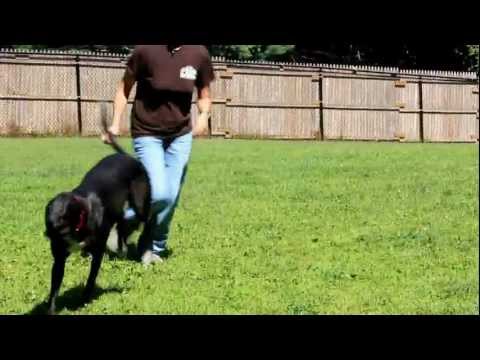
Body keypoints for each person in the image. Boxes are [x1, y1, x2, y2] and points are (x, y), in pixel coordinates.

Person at [102, 45, 215, 265]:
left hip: (181, 135)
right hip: (147, 133)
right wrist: (115, 124)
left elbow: (204, 93)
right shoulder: (145, 51)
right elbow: (124, 87)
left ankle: (154, 248)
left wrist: (203, 116)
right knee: (160, 193)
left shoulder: (198, 53)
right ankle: (121, 224)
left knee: (170, 198)